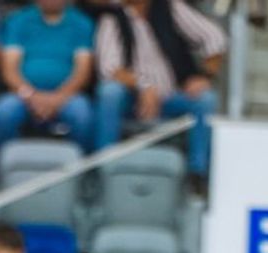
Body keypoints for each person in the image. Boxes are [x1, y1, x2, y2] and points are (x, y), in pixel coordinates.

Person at [94, 0, 225, 182]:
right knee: (110, 92)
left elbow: (215, 38)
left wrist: (204, 76)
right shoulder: (112, 16)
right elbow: (109, 68)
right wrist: (144, 87)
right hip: (132, 100)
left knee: (205, 99)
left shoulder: (170, 7)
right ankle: (103, 168)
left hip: (171, 97)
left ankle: (197, 174)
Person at [0, 0, 97, 149]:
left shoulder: (82, 23)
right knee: (3, 111)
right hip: (24, 95)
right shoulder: (18, 20)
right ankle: (5, 160)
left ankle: (82, 162)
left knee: (82, 114)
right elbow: (9, 70)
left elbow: (82, 72)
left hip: (67, 96)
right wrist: (32, 97)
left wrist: (58, 98)